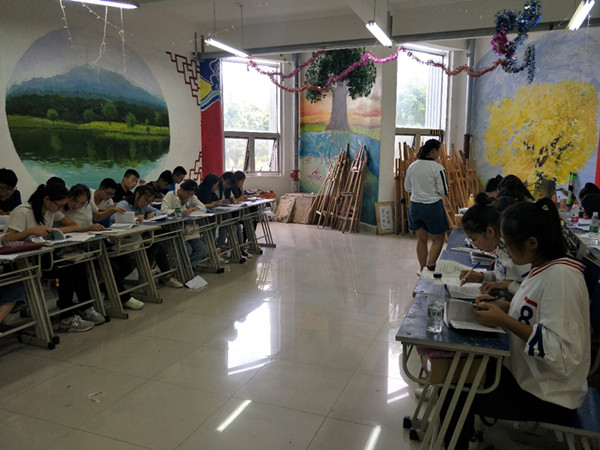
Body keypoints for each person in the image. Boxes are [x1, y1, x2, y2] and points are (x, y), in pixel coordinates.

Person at [441, 198, 591, 449]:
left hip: (548, 395)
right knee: (457, 373)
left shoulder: (562, 278)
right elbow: (536, 313)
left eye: (509, 245)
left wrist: (505, 320)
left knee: (454, 393)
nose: (506, 251)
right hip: (528, 376)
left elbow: (561, 352)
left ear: (532, 243)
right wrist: (505, 307)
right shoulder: (542, 267)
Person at [4, 182, 100, 332]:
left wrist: (55, 231)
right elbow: (6, 239)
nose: (61, 209)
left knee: (78, 263)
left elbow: (74, 226)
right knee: (66, 269)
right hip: (22, 262)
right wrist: (29, 231)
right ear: (47, 199)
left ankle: (86, 307)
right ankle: (67, 318)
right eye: (59, 205)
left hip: (41, 257)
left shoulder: (51, 210)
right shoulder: (23, 212)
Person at [64, 184, 144, 311]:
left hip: (94, 242)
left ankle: (105, 288)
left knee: (127, 263)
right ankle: (123, 297)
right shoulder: (61, 210)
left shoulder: (88, 204)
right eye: (75, 201)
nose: (77, 205)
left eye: (82, 203)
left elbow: (97, 216)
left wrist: (112, 211)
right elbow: (62, 231)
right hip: (76, 248)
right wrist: (86, 229)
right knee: (109, 265)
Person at [459, 193, 530, 298]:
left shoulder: (518, 252)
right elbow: (501, 276)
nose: (473, 244)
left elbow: (531, 294)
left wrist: (509, 285)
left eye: (473, 239)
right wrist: (481, 277)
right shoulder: (500, 246)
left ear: (490, 232)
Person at [112, 185, 183, 288]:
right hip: (121, 241)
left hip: (136, 238)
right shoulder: (124, 204)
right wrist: (135, 217)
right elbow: (114, 217)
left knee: (158, 247)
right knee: (154, 246)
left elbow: (158, 211)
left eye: (148, 202)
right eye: (145, 200)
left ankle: (160, 276)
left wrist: (153, 214)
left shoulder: (144, 206)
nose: (145, 204)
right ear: (137, 195)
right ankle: (147, 274)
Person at [404, 139, 450, 273]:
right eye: (439, 150)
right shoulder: (437, 168)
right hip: (432, 207)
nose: (440, 153)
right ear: (433, 151)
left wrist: (419, 192)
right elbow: (444, 191)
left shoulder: (413, 166)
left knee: (421, 239)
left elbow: (407, 187)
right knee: (438, 239)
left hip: (415, 206)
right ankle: (430, 267)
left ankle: (422, 268)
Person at [161, 180, 208, 268]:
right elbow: (163, 211)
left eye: (191, 194)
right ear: (182, 189)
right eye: (188, 193)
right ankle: (181, 268)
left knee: (202, 250)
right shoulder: (170, 195)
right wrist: (179, 212)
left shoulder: (191, 197)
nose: (189, 196)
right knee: (187, 250)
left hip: (189, 231)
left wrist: (192, 209)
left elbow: (203, 207)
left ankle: (187, 267)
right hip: (174, 230)